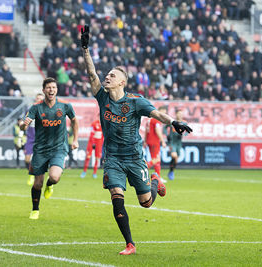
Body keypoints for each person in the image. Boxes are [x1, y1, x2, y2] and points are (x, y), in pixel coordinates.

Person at [81, 25, 192, 255]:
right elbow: (92, 74)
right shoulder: (102, 98)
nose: (107, 77)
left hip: (134, 157)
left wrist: (173, 123)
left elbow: (157, 114)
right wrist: (85, 50)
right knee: (116, 197)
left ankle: (155, 180)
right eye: (108, 74)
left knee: (146, 202)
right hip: (112, 158)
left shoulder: (135, 101)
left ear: (122, 82)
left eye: (112, 75)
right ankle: (130, 243)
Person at [20, 77, 79, 220]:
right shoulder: (36, 107)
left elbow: (74, 121)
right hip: (40, 149)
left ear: (56, 90)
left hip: (59, 148)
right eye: (48, 88)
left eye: (53, 87)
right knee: (37, 183)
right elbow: (22, 125)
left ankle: (50, 184)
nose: (51, 90)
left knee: (54, 177)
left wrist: (75, 139)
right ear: (43, 90)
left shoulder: (65, 106)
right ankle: (35, 209)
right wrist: (24, 124)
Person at [24, 93, 44, 186]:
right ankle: (31, 171)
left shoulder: (45, 110)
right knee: (27, 159)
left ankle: (32, 175)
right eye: (37, 98)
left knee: (38, 159)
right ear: (35, 100)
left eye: (41, 99)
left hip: (41, 138)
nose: (39, 100)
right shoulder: (30, 110)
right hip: (31, 137)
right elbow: (24, 123)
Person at [144, 106, 167, 179]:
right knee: (156, 159)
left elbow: (146, 131)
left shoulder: (149, 120)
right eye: (163, 112)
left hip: (149, 141)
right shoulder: (156, 120)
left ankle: (158, 177)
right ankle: (143, 168)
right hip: (154, 141)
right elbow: (157, 131)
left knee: (156, 159)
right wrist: (162, 141)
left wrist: (145, 141)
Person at [167, 109, 185, 180]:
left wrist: (184, 133)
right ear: (176, 114)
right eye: (179, 114)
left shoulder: (184, 123)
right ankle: (171, 172)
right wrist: (166, 134)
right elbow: (165, 128)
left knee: (176, 160)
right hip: (172, 142)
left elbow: (186, 132)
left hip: (178, 143)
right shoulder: (173, 122)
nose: (180, 115)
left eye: (181, 114)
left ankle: (171, 171)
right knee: (174, 156)